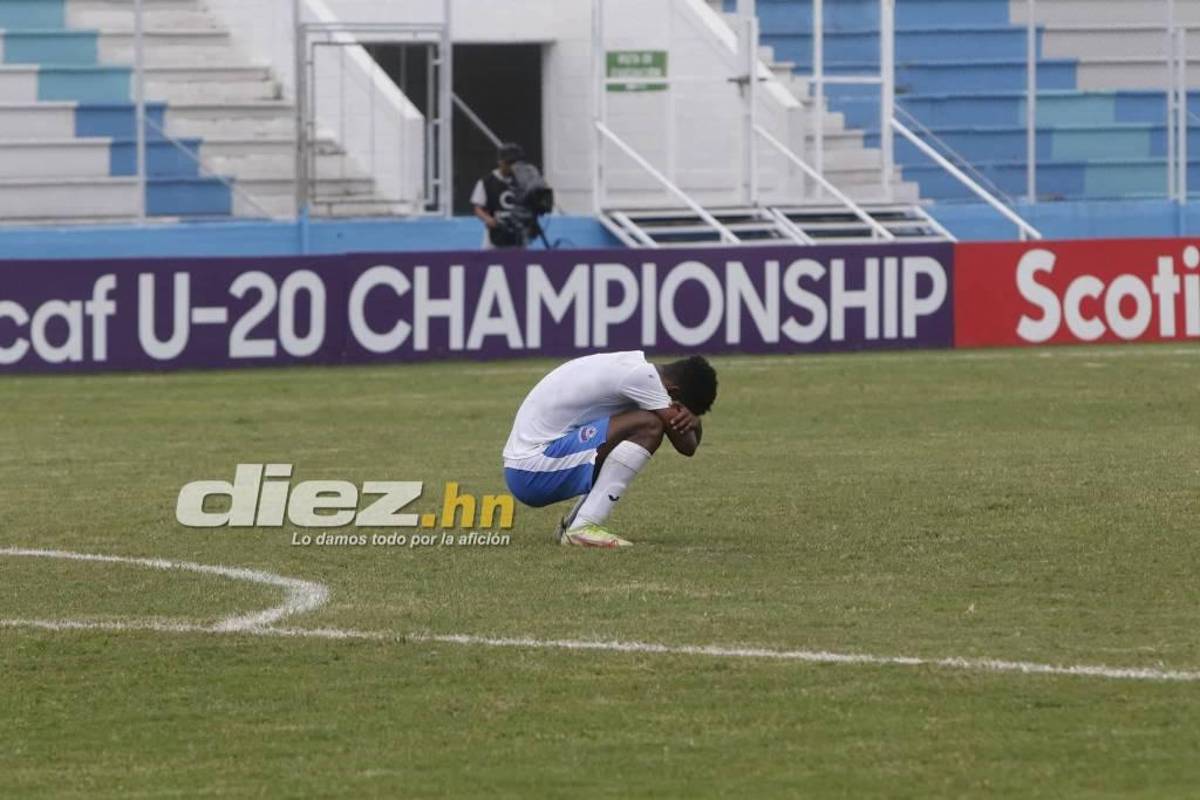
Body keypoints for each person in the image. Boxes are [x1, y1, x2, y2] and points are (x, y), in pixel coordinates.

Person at [502, 352, 718, 548]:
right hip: (531, 472)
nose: (678, 413)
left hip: (525, 467)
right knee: (650, 425)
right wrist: (694, 420)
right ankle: (584, 526)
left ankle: (575, 525)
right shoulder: (645, 381)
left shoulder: (634, 366)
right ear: (673, 392)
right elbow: (687, 446)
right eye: (678, 407)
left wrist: (693, 418)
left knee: (627, 432)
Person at [471, 142, 525, 250]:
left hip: (518, 236)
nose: (513, 167)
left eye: (516, 163)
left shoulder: (523, 181)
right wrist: (488, 219)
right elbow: (477, 208)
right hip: (494, 236)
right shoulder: (487, 182)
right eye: (509, 163)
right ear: (501, 162)